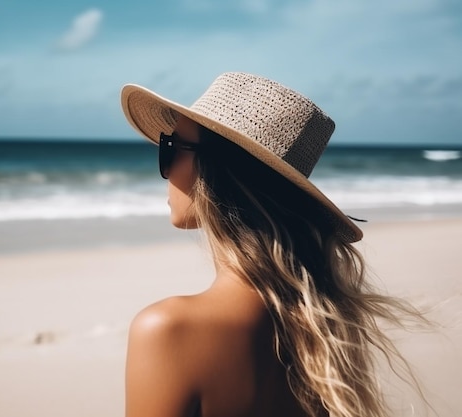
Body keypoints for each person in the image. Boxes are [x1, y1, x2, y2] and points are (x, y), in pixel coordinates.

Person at [120, 72, 426, 417]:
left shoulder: (168, 330)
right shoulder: (322, 323)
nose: (164, 165)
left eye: (170, 147)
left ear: (214, 172)